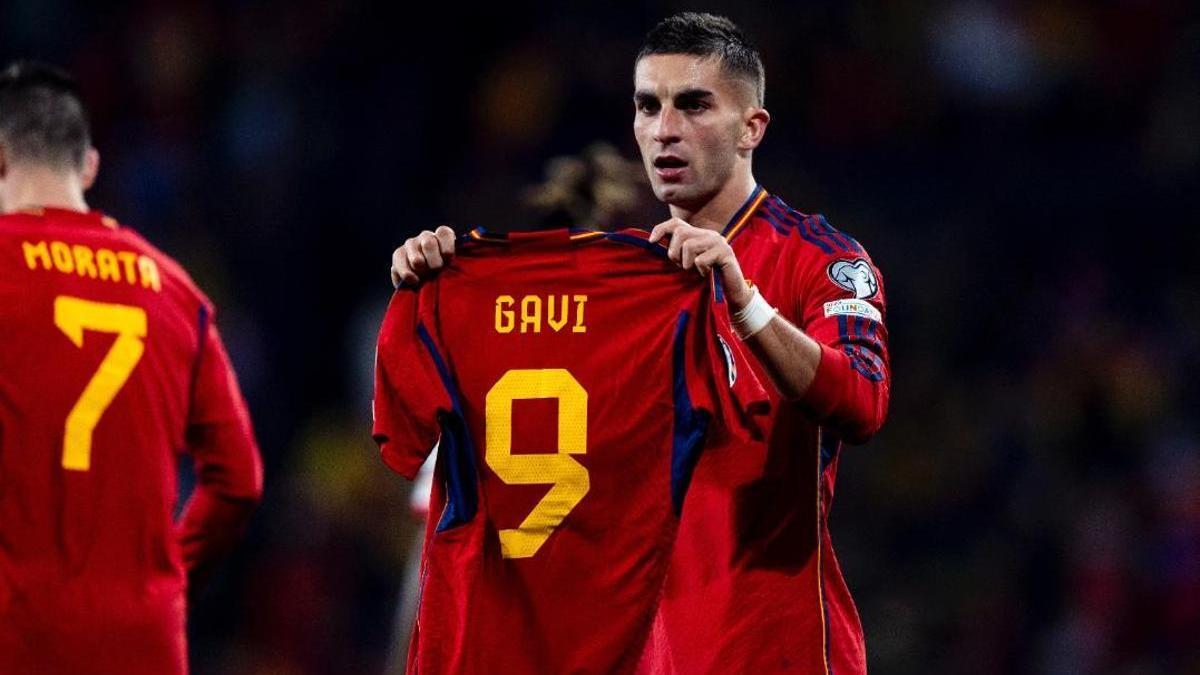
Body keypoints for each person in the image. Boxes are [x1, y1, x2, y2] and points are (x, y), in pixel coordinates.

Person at [390, 13, 891, 674]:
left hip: (774, 650)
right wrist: (448, 291)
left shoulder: (817, 259)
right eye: (648, 106)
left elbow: (861, 402)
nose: (664, 129)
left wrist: (746, 304)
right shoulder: (616, 285)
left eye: (693, 105)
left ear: (752, 128)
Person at [0, 61, 263, 674]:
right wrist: (167, 574)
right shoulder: (176, 292)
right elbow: (240, 481)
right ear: (88, 166)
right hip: (143, 642)